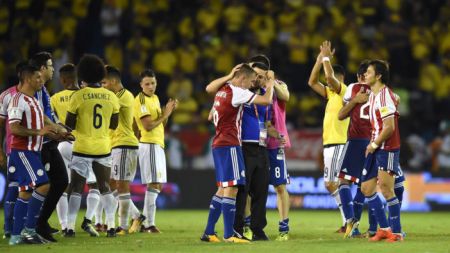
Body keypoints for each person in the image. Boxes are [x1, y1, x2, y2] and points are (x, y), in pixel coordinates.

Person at [200, 64, 274, 243]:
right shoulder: (237, 92)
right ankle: (229, 234)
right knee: (232, 188)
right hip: (230, 143)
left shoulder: (222, 90)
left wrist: (229, 74)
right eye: (249, 81)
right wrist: (270, 83)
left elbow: (210, 112)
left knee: (223, 188)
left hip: (218, 143)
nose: (250, 85)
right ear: (241, 79)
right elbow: (266, 101)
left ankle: (209, 232)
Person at [65, 54, 120, 237]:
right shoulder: (111, 97)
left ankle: (70, 228)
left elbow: (69, 125)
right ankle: (111, 226)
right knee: (104, 186)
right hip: (103, 147)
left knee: (76, 188)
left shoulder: (78, 96)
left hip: (82, 147)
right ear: (101, 74)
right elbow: (113, 124)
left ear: (83, 75)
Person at [7, 64, 57, 245]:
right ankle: (29, 230)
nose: (41, 80)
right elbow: (14, 128)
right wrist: (39, 133)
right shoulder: (17, 100)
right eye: (37, 78)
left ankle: (16, 236)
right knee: (43, 185)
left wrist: (58, 133)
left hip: (32, 152)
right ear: (28, 79)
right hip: (22, 151)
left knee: (26, 192)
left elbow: (42, 127)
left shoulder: (34, 100)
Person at [307, 41, 349, 231]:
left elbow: (329, 78)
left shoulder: (344, 91)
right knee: (332, 183)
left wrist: (326, 58)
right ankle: (347, 221)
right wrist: (319, 59)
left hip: (339, 142)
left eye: (331, 78)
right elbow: (312, 82)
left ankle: (349, 221)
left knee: (333, 183)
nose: (327, 81)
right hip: (330, 144)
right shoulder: (331, 95)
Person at [361, 60, 403, 242]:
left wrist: (374, 144)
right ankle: (384, 229)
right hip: (376, 146)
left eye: (369, 72)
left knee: (386, 189)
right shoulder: (373, 95)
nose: (365, 75)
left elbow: (389, 127)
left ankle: (397, 233)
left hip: (386, 147)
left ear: (378, 76)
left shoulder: (384, 96)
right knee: (367, 188)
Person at [29, 52, 70, 242]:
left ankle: (40, 222)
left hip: (49, 143)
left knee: (61, 180)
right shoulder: (35, 88)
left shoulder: (43, 89)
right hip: (41, 144)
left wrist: (62, 128)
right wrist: (57, 129)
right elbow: (39, 117)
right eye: (51, 65)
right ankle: (31, 226)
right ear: (43, 68)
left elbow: (48, 114)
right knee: (41, 185)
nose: (53, 69)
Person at [101, 65, 145, 235]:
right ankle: (136, 216)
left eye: (104, 83)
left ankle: (123, 226)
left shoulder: (125, 96)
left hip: (124, 144)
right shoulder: (115, 96)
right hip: (115, 145)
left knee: (121, 185)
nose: (102, 86)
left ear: (113, 81)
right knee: (111, 184)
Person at [133, 69, 177, 233]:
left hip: (158, 144)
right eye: (147, 84)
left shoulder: (156, 98)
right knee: (154, 184)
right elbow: (148, 125)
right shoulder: (141, 100)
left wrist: (168, 113)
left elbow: (161, 124)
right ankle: (148, 224)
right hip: (149, 144)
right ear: (141, 85)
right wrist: (165, 114)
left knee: (157, 185)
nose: (150, 86)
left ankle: (145, 220)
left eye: (153, 83)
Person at [50, 63, 80, 235]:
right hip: (85, 146)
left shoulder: (55, 98)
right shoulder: (85, 95)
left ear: (62, 79)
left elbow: (53, 124)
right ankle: (98, 221)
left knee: (61, 186)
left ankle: (64, 226)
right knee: (88, 187)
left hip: (64, 145)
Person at [0, 62, 26, 239]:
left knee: (27, 187)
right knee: (15, 185)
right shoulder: (6, 96)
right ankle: (9, 227)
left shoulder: (38, 94)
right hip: (13, 148)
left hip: (32, 148)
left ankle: (22, 225)